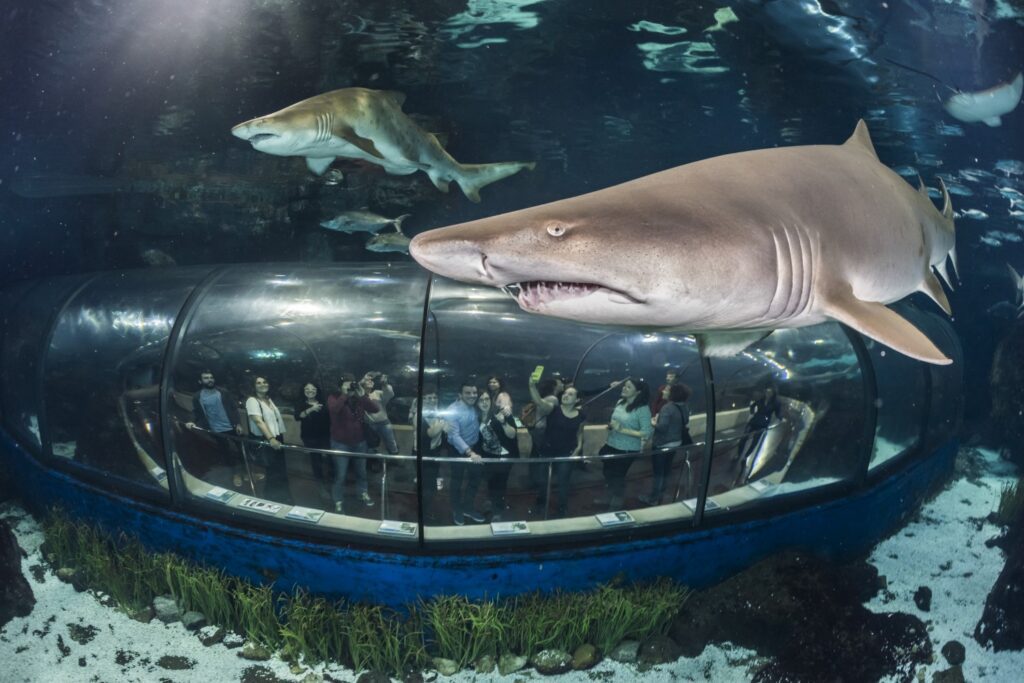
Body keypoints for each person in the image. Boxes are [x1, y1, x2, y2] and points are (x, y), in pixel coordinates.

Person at [327, 373, 380, 513]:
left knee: (361, 472)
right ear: (340, 385)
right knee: (341, 475)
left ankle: (362, 493)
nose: (350, 385)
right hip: (340, 443)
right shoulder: (333, 397)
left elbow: (375, 409)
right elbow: (334, 410)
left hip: (360, 442)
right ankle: (338, 499)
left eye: (352, 382)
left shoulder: (358, 398)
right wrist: (344, 394)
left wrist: (362, 395)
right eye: (347, 383)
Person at [599, 378, 653, 511]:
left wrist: (622, 430)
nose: (624, 388)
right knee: (607, 472)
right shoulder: (620, 402)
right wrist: (612, 427)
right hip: (611, 443)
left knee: (618, 476)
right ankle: (609, 496)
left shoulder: (642, 409)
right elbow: (616, 422)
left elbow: (646, 432)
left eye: (628, 387)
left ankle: (616, 502)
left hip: (627, 449)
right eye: (624, 386)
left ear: (638, 392)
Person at [533, 382, 585, 518]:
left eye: (571, 394)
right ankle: (540, 504)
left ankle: (562, 508)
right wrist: (532, 386)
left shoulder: (581, 415)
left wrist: (578, 447)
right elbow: (538, 401)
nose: (566, 395)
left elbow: (580, 432)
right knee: (543, 480)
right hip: (547, 450)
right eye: (565, 393)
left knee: (563, 482)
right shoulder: (553, 409)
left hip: (566, 453)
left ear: (577, 399)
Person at [184, 369, 243, 486]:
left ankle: (245, 472)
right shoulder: (198, 396)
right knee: (227, 453)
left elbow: (233, 408)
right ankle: (235, 474)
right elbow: (196, 412)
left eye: (211, 377)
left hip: (232, 427)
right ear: (200, 381)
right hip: (216, 430)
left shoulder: (223, 392)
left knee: (242, 450)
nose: (209, 380)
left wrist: (238, 424)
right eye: (206, 378)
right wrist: (190, 421)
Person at [640, 383, 693, 505]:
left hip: (663, 444)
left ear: (673, 394)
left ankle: (653, 498)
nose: (664, 391)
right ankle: (662, 493)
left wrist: (653, 423)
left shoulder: (668, 408)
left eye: (667, 390)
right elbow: (686, 421)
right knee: (667, 470)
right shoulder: (684, 406)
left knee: (658, 472)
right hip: (676, 442)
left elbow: (662, 428)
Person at [445, 380, 485, 526]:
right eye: (468, 393)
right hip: (458, 450)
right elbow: (454, 436)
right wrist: (470, 453)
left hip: (474, 448)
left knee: (475, 479)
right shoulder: (452, 410)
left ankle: (468, 507)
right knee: (456, 481)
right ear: (460, 395)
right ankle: (457, 510)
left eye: (474, 392)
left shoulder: (476, 407)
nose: (472, 395)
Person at [245, 376, 288, 501]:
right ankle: (271, 499)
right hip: (267, 438)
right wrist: (271, 439)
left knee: (279, 470)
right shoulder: (252, 400)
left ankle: (282, 497)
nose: (262, 384)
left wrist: (276, 437)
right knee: (272, 472)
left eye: (264, 382)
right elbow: (258, 421)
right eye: (258, 383)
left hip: (277, 436)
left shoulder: (268, 399)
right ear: (253, 386)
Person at [478, 391, 519, 521]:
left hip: (504, 456)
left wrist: (503, 422)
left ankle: (497, 512)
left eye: (487, 399)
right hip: (488, 456)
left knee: (500, 484)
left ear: (492, 401)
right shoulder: (477, 416)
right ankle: (491, 503)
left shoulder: (502, 413)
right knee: (490, 481)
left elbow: (512, 434)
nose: (484, 402)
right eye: (481, 400)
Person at [734, 385, 783, 486]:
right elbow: (752, 406)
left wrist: (780, 419)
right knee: (743, 439)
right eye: (767, 391)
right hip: (754, 421)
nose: (767, 393)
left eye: (770, 392)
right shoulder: (761, 399)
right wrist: (752, 413)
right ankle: (739, 454)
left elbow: (778, 414)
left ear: (773, 393)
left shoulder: (776, 403)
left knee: (755, 442)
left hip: (763, 424)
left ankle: (746, 457)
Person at [410, 391, 447, 522]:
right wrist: (442, 424)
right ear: (423, 400)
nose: (433, 400)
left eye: (435, 397)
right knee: (427, 485)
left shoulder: (438, 412)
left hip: (434, 452)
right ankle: (423, 514)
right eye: (429, 398)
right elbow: (430, 433)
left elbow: (447, 430)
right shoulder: (418, 415)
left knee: (430, 484)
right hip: (421, 453)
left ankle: (426, 509)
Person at [294, 382, 331, 507]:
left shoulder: (324, 402)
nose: (310, 391)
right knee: (316, 462)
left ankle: (329, 483)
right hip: (310, 438)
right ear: (303, 390)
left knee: (329, 460)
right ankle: (321, 487)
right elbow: (298, 416)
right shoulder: (300, 403)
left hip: (325, 437)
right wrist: (311, 409)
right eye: (307, 389)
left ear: (317, 390)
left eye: (313, 389)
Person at [361, 371, 399, 455]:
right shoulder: (360, 396)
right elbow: (357, 388)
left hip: (384, 423)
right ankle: (372, 462)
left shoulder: (377, 393)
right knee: (371, 445)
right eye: (368, 380)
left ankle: (395, 459)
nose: (370, 381)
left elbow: (389, 394)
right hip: (369, 425)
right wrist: (365, 377)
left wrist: (384, 384)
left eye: (372, 380)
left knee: (391, 442)